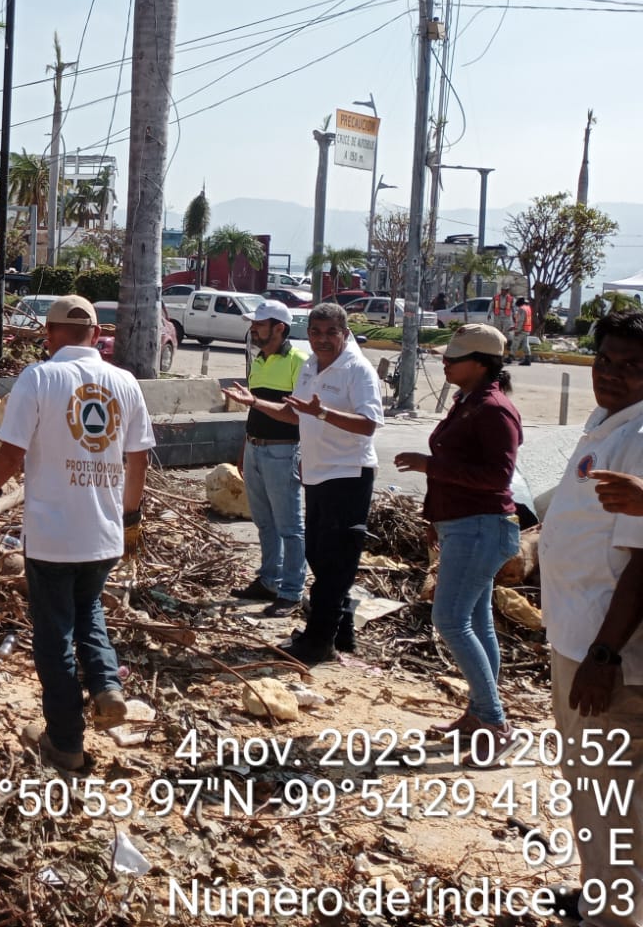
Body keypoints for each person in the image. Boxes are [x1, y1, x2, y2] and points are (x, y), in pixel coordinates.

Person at [0, 295, 155, 773]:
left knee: (54, 634)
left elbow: (11, 453)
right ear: (96, 335)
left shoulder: (40, 378)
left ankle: (66, 740)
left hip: (53, 534)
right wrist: (130, 518)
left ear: (48, 336)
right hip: (104, 532)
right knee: (88, 606)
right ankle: (107, 683)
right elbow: (139, 459)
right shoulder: (125, 382)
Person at [537, 308, 643, 927]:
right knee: (590, 785)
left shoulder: (640, 436)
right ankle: (597, 894)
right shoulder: (609, 422)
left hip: (610, 655)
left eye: (633, 367)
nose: (613, 374)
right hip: (578, 637)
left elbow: (641, 564)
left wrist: (605, 655)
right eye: (606, 359)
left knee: (614, 796)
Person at [393, 325, 522, 757]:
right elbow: (458, 468)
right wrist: (435, 518)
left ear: (483, 364)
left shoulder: (493, 410)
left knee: (450, 620)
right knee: (477, 621)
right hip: (464, 526)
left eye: (454, 358)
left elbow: (497, 478)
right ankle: (479, 712)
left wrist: (430, 466)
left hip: (483, 527)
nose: (445, 364)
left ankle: (495, 722)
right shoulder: (467, 403)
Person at [237, 302, 384, 664]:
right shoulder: (309, 366)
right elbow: (294, 413)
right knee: (318, 555)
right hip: (316, 473)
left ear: (344, 333)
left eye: (330, 332)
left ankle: (319, 641)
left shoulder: (358, 370)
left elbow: (368, 423)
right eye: (316, 332)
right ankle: (341, 628)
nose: (322, 340)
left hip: (348, 473)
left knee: (334, 560)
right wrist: (255, 402)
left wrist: (322, 412)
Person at [222, 301, 307, 617]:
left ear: (279, 328)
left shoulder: (299, 361)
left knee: (290, 525)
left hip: (283, 451)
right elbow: (254, 409)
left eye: (259, 323)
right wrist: (245, 449)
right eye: (253, 323)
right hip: (256, 449)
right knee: (264, 522)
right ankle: (269, 580)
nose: (253, 329)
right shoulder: (259, 360)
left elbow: (298, 416)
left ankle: (291, 590)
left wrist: (255, 400)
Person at [512, 297, 535, 367]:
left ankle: (510, 357)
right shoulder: (528, 308)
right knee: (525, 345)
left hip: (521, 329)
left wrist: (517, 330)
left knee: (515, 343)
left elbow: (520, 321)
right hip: (527, 329)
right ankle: (527, 359)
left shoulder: (521, 309)